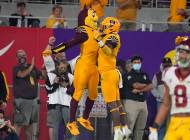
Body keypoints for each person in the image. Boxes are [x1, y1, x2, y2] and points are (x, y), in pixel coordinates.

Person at [43, 7, 99, 136]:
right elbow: (69, 44)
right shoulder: (84, 32)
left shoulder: (96, 32)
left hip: (92, 67)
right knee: (78, 92)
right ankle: (72, 122)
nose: (95, 14)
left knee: (93, 94)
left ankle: (84, 118)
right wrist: (53, 50)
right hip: (83, 66)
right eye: (92, 13)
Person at [149, 36, 190, 140]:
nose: (182, 55)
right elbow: (165, 104)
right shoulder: (169, 73)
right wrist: (155, 126)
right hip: (174, 123)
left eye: (186, 52)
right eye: (181, 52)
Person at [93, 16, 132, 140]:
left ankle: (117, 131)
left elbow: (109, 51)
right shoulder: (109, 36)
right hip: (110, 73)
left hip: (108, 73)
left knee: (112, 105)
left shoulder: (113, 36)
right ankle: (125, 129)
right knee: (118, 104)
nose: (103, 27)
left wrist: (98, 39)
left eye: (105, 26)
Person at [13, 49, 42, 140]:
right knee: (18, 126)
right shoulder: (16, 68)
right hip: (21, 102)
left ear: (26, 56)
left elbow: (42, 77)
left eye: (24, 55)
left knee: (29, 127)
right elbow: (22, 75)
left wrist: (45, 67)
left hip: (32, 101)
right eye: (20, 55)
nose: (22, 57)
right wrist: (32, 66)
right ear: (17, 58)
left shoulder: (32, 67)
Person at [122, 55, 152, 140]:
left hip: (143, 102)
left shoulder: (144, 74)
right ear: (132, 64)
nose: (137, 64)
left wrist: (140, 90)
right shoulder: (128, 75)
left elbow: (151, 85)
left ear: (141, 63)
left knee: (140, 128)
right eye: (135, 62)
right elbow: (136, 85)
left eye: (138, 62)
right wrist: (145, 85)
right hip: (131, 103)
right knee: (129, 127)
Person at [151, 57, 172, 140]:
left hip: (172, 103)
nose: (166, 66)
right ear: (162, 65)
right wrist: (158, 96)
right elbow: (153, 88)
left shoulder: (175, 75)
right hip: (161, 102)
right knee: (161, 124)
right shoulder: (157, 75)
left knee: (171, 124)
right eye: (165, 65)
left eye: (168, 65)